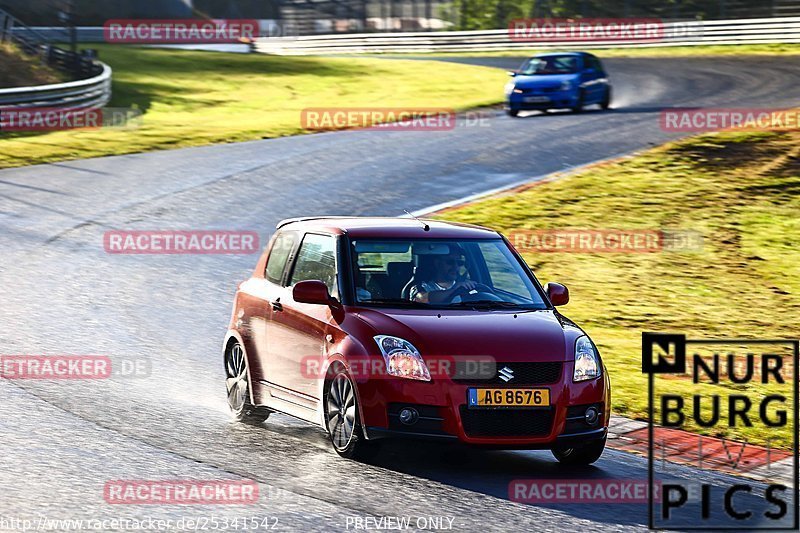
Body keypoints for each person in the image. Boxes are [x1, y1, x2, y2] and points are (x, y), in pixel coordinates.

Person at [410, 245, 476, 303]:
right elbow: (421, 299)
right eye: (450, 262)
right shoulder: (422, 287)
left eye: (459, 262)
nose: (455, 267)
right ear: (437, 263)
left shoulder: (465, 287)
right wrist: (454, 290)